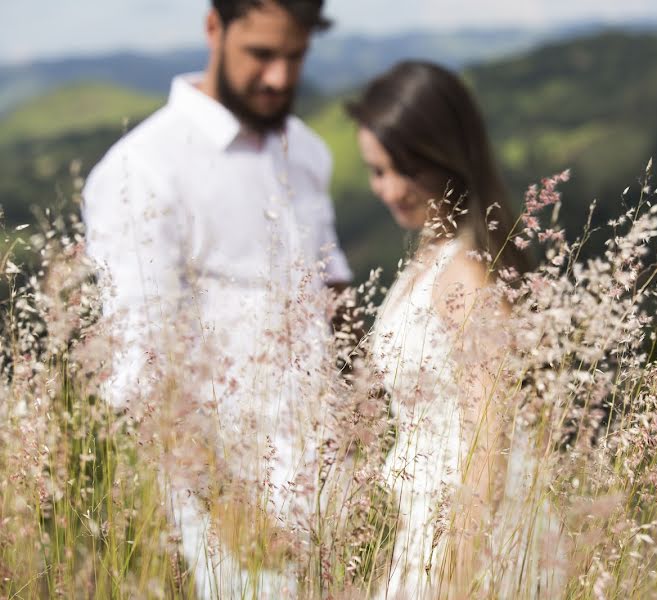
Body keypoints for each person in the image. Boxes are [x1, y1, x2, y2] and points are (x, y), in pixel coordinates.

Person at [82, 1, 350, 597]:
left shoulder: (306, 149)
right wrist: (238, 518)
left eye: (295, 56)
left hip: (337, 485)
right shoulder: (141, 170)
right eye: (261, 54)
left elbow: (334, 290)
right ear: (213, 28)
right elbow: (144, 372)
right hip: (229, 508)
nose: (280, 77)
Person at [346, 61, 551, 598]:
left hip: (464, 538)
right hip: (426, 526)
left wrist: (457, 572)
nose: (389, 190)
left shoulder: (466, 272)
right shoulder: (433, 253)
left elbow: (490, 440)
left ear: (447, 156)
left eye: (403, 169)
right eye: (376, 170)